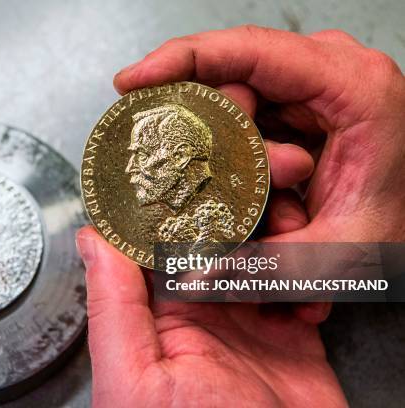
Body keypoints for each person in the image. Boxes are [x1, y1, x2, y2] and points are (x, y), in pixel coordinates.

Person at [76, 25, 405, 406]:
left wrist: (378, 267)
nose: (130, 170)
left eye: (143, 156)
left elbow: (372, 269)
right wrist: (381, 266)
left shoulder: (206, 240)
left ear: (183, 157)